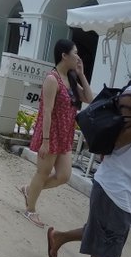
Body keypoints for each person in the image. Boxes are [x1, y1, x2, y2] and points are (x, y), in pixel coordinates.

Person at [45, 84, 131, 257]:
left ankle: (59, 237)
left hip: (128, 185)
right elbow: (116, 139)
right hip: (116, 183)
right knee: (110, 238)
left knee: (100, 230)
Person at [19, 39, 93, 227]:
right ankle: (30, 210)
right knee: (42, 172)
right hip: (51, 134)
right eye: (75, 53)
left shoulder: (72, 78)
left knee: (64, 176)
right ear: (64, 55)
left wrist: (81, 74)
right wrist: (45, 141)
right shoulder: (52, 79)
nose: (78, 57)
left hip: (65, 134)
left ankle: (30, 190)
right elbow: (47, 111)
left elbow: (89, 98)